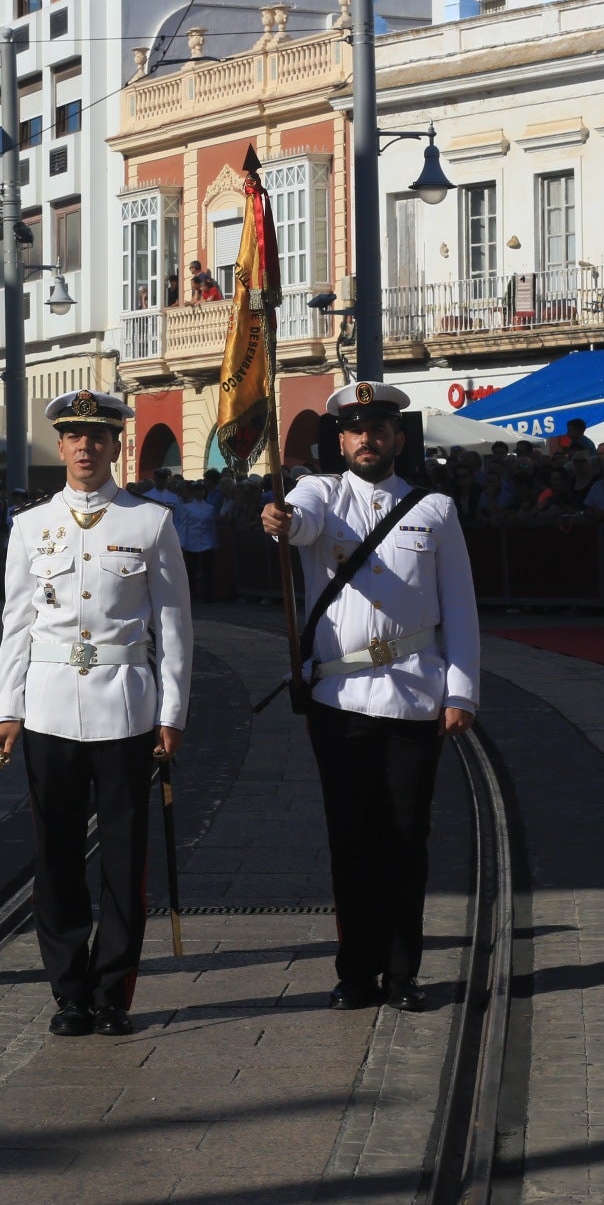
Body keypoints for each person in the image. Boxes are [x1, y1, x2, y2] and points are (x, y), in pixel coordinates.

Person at [260, 381, 479, 1013]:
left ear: (397, 439)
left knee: (406, 838)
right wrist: (280, 519)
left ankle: (403, 972)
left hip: (414, 693)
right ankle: (356, 971)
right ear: (340, 440)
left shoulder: (434, 509)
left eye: (378, 429)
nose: (366, 439)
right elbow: (297, 521)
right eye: (355, 429)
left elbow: (460, 605)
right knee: (351, 838)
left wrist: (461, 690)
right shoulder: (321, 494)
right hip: (339, 695)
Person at [0, 388, 191, 1038]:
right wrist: (7, 709)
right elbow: (16, 624)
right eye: (74, 436)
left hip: (126, 709)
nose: (85, 447)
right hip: (48, 709)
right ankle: (69, 991)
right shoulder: (30, 526)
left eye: (97, 436)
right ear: (61, 445)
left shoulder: (149, 522)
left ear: (114, 445)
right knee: (56, 857)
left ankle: (112, 993)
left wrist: (172, 712)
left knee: (123, 859)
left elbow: (174, 626)